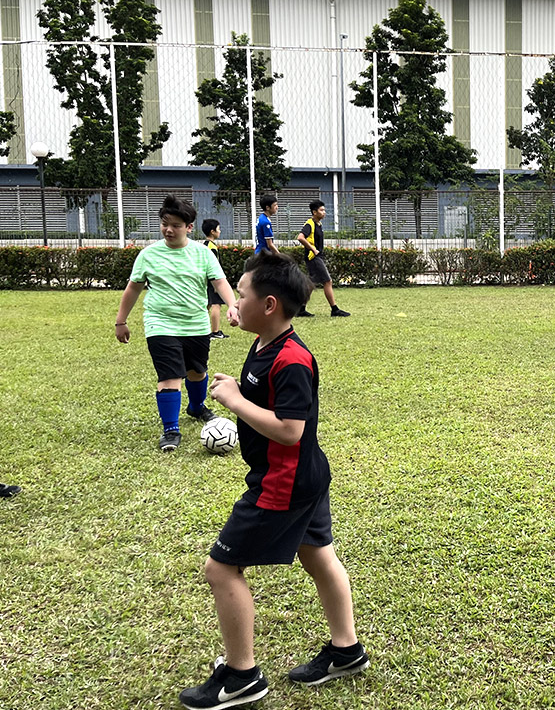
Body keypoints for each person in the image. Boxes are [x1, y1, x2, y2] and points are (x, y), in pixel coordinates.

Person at [178, 251, 368, 710]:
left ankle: (242, 676)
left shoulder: (293, 359)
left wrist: (233, 401)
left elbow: (290, 428)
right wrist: (241, 390)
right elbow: (267, 401)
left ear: (268, 305)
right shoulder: (263, 342)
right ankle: (347, 650)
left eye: (240, 296)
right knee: (318, 555)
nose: (232, 304)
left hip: (284, 479)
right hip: (302, 475)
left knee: (221, 568)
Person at [115, 195, 240, 451]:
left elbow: (219, 282)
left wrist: (232, 305)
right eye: (164, 223)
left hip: (196, 324)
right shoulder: (148, 255)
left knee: (197, 372)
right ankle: (170, 429)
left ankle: (196, 407)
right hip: (160, 324)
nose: (169, 229)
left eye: (175, 225)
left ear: (189, 227)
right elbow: (132, 289)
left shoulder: (202, 254)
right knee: (170, 376)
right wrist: (121, 321)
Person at [296, 200, 350, 318]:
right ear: (314, 212)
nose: (324, 212)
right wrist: (313, 249)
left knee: (311, 283)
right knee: (327, 281)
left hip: (316, 257)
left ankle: (300, 309)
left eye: (324, 210)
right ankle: (334, 309)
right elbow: (300, 237)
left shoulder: (318, 224)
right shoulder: (309, 224)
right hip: (314, 257)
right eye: (321, 210)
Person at [202, 218, 229, 339]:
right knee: (216, 304)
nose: (220, 231)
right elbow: (212, 266)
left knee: (206, 305)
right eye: (218, 229)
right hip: (211, 279)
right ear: (212, 231)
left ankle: (203, 330)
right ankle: (215, 332)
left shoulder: (205, 245)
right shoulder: (211, 247)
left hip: (205, 279)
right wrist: (215, 284)